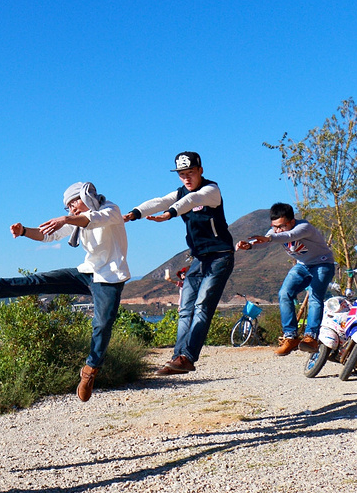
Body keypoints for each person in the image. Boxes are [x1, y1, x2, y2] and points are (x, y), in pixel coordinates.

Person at [0, 182, 130, 402]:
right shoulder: (74, 219)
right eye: (68, 207)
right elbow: (47, 236)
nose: (72, 209)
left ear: (87, 196)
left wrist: (65, 219)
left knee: (102, 324)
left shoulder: (110, 210)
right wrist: (25, 231)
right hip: (86, 272)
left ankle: (90, 370)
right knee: (40, 281)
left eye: (74, 203)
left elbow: (91, 220)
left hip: (109, 278)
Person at [124, 152, 234, 375]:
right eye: (182, 175)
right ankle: (178, 357)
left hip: (220, 255)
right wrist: (135, 213)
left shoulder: (211, 190)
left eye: (190, 173)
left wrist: (169, 214)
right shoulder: (179, 192)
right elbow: (159, 201)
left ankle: (188, 357)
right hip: (199, 258)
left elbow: (191, 201)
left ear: (200, 171)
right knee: (185, 309)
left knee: (202, 306)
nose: (186, 178)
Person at [236, 202, 335, 355]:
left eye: (281, 226)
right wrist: (249, 246)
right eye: (274, 226)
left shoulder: (304, 228)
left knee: (315, 297)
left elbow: (289, 236)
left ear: (292, 222)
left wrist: (270, 238)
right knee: (284, 294)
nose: (277, 230)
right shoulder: (275, 231)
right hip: (303, 266)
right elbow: (265, 242)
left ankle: (311, 338)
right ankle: (291, 336)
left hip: (323, 264)